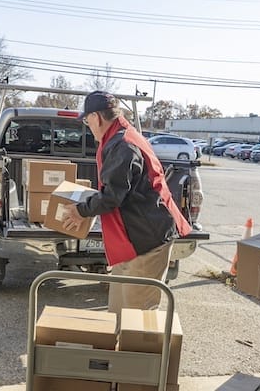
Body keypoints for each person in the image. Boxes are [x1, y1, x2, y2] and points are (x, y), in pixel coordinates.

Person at [61, 90, 192, 318]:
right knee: (118, 312)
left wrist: (81, 210)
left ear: (97, 117)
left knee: (138, 317)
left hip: (148, 242)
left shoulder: (123, 145)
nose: (87, 125)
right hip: (134, 239)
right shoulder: (118, 138)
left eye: (86, 120)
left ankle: (138, 353)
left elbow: (112, 197)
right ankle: (118, 350)